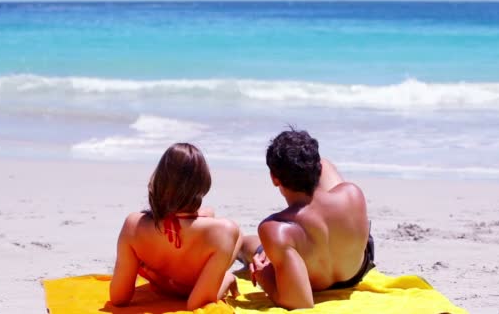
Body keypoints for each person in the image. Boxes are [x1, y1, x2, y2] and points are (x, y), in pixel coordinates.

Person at [240, 129, 374, 309]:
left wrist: (264, 277)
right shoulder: (352, 193)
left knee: (246, 245)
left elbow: (299, 302)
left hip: (311, 283)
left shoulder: (274, 228)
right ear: (317, 170)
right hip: (354, 271)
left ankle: (242, 245)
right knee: (325, 164)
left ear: (274, 178)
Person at [110, 143, 241, 310]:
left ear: (159, 179)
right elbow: (196, 305)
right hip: (194, 287)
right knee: (236, 237)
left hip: (163, 284)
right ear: (203, 182)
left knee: (209, 215)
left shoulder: (133, 225)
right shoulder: (224, 231)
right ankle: (222, 277)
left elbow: (118, 298)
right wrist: (227, 278)